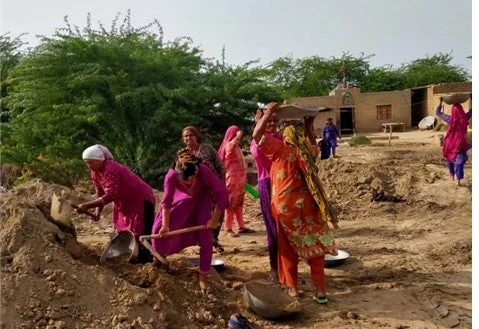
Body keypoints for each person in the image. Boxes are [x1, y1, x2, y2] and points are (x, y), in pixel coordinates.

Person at [252, 102, 338, 304]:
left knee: (288, 248)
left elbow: (257, 136)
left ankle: (293, 289)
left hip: (286, 209)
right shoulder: (308, 152)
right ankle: (320, 292)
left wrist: (265, 117)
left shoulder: (282, 151)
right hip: (310, 207)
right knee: (315, 246)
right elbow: (313, 143)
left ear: (286, 135)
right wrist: (309, 125)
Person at [151, 149, 228, 292]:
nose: (190, 182)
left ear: (196, 171)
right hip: (181, 200)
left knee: (206, 236)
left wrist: (215, 218)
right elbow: (166, 202)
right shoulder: (171, 176)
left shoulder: (204, 171)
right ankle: (158, 261)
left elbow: (222, 193)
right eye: (185, 181)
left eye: (193, 178)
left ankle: (203, 276)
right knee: (158, 230)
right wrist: (166, 226)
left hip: (202, 199)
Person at [77, 144, 156, 263]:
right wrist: (97, 212)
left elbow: (110, 195)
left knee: (141, 229)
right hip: (124, 201)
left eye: (91, 162)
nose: (89, 166)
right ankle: (133, 256)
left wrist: (87, 205)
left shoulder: (111, 168)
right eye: (86, 163)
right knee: (125, 229)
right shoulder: (95, 173)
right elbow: (100, 192)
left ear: (100, 160)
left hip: (140, 198)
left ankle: (145, 259)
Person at [181, 126, 226, 252]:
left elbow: (220, 167)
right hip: (197, 189)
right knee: (201, 213)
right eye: (185, 136)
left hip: (214, 185)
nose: (188, 138)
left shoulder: (207, 148)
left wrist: (222, 185)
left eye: (190, 135)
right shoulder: (183, 154)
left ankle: (214, 237)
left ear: (196, 136)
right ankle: (203, 239)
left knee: (218, 211)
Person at [250, 108, 282, 281]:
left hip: (285, 184)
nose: (272, 123)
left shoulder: (282, 139)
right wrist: (266, 115)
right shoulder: (258, 141)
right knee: (273, 228)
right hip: (268, 184)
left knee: (286, 229)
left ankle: (287, 268)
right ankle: (274, 268)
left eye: (274, 120)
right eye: (268, 120)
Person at [218, 125, 254, 235]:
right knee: (230, 204)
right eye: (236, 134)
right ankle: (228, 228)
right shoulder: (229, 146)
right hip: (231, 179)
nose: (238, 137)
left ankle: (241, 226)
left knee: (239, 203)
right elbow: (232, 145)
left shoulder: (237, 147)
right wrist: (237, 136)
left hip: (239, 179)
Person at [436, 96, 472, 186]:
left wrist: (440, 102)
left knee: (450, 160)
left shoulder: (450, 119)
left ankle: (453, 176)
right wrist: (472, 99)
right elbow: (473, 111)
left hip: (450, 144)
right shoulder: (465, 117)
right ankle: (458, 180)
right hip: (460, 144)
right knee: (459, 162)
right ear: (461, 110)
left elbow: (438, 113)